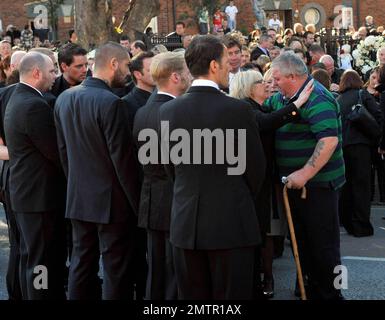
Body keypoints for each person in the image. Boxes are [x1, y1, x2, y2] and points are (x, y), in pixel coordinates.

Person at [159, 35, 266, 299]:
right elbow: (256, 169)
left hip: (186, 224)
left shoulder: (167, 111)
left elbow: (169, 167)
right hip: (232, 223)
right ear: (214, 66)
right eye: (226, 60)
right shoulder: (238, 110)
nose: (231, 65)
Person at [54, 42, 141, 300]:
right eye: (126, 65)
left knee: (82, 263)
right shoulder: (112, 103)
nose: (128, 72)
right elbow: (122, 162)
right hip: (111, 204)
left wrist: (75, 186)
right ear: (113, 63)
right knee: (116, 269)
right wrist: (137, 205)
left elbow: (64, 154)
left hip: (79, 198)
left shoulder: (64, 99)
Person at [264, 52, 345, 300]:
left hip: (319, 186)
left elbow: (328, 140)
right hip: (295, 186)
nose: (273, 83)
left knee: (324, 246)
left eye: (277, 78)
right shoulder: (281, 99)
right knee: (302, 242)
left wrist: (305, 173)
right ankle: (307, 287)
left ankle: (332, 294)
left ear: (292, 76)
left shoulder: (318, 97)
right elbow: (263, 119)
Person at [230, 70, 313, 299]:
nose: (266, 85)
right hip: (253, 181)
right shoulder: (245, 108)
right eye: (260, 82)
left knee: (266, 229)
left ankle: (265, 276)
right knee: (260, 229)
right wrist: (297, 103)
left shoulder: (260, 106)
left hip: (266, 177)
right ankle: (262, 278)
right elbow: (267, 123)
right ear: (248, 88)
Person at [4, 52, 66, 300]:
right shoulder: (33, 106)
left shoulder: (18, 98)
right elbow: (55, 152)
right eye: (52, 71)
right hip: (38, 198)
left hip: (27, 196)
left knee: (31, 259)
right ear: (37, 73)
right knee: (40, 263)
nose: (55, 76)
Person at [133, 51, 191, 300]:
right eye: (188, 73)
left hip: (151, 200)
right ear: (176, 77)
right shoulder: (173, 111)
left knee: (156, 271)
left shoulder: (143, 110)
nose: (191, 78)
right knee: (174, 272)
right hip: (172, 200)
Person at [337, 70, 382, 237]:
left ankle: (347, 222)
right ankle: (361, 225)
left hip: (343, 147)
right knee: (361, 187)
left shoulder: (338, 100)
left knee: (346, 186)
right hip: (361, 147)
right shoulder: (362, 94)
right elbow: (378, 115)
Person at [123, 51, 155, 121]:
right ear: (137, 74)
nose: (157, 72)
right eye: (151, 70)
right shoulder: (126, 103)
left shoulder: (161, 95)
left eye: (157, 68)